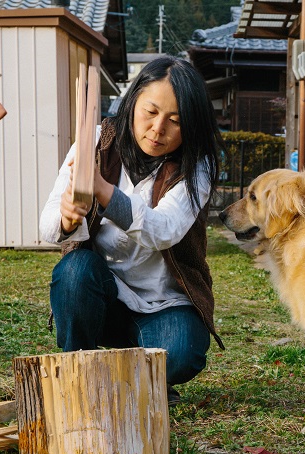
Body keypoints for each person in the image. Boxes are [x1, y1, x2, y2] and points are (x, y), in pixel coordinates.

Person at [39, 56, 224, 406]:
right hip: (101, 299)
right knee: (75, 271)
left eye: (175, 120)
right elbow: (47, 225)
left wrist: (104, 191)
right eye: (150, 112)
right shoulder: (93, 141)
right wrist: (66, 219)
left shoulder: (196, 167)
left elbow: (163, 230)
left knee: (183, 353)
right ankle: (83, 373)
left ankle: (129, 374)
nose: (158, 129)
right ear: (133, 100)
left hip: (161, 305)